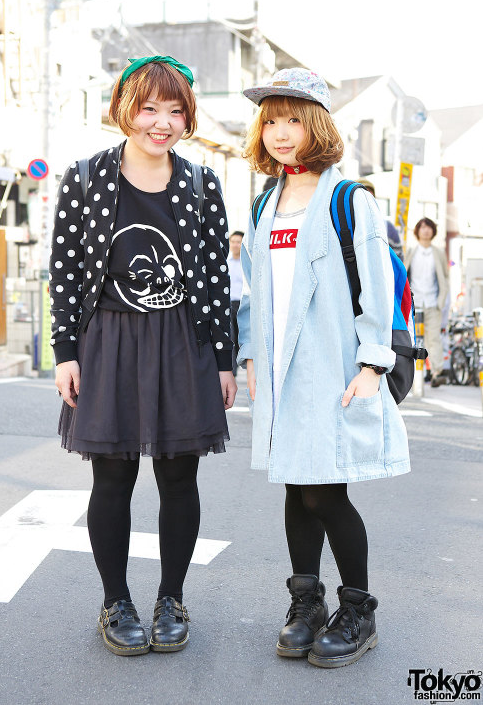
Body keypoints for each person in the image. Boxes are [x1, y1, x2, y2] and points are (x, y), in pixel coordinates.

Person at [50, 56, 237, 657]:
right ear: (124, 109)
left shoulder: (204, 184)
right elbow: (65, 271)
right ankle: (116, 601)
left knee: (180, 475)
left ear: (188, 117)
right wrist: (65, 352)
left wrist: (225, 358)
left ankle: (171, 598)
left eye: (176, 109)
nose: (162, 122)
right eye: (150, 108)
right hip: (108, 336)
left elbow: (215, 278)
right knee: (113, 477)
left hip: (183, 337)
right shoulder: (84, 180)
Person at [237, 68, 410, 668]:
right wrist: (251, 353)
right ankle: (305, 603)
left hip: (331, 365)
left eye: (293, 119)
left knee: (324, 489)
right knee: (295, 483)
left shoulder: (348, 199)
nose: (282, 133)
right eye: (272, 120)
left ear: (317, 125)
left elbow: (377, 290)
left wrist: (371, 364)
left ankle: (358, 611)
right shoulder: (266, 202)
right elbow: (256, 290)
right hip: (281, 371)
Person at [404, 218, 449, 387]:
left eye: (429, 227)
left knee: (433, 339)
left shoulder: (438, 253)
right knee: (411, 338)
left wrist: (441, 301)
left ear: (433, 231)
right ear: (417, 231)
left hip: (432, 303)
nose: (426, 230)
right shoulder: (411, 251)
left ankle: (437, 372)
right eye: (422, 227)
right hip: (414, 303)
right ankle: (412, 373)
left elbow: (445, 278)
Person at [356, 178, 404, 261]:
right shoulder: (342, 225)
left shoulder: (387, 227)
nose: (366, 199)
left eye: (370, 196)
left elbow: (398, 258)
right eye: (362, 195)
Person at [227, 230, 244, 375]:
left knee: (242, 338)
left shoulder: (246, 263)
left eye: (238, 242)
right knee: (231, 338)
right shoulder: (226, 263)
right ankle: (233, 371)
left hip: (243, 304)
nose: (235, 245)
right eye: (233, 241)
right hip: (228, 304)